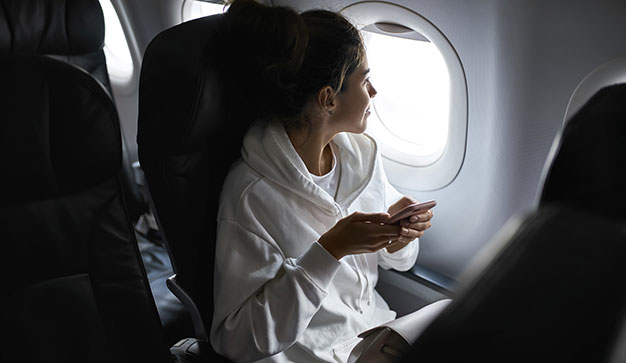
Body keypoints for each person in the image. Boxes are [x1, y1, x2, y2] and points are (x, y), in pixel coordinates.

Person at [210, 1, 434, 362]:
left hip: (374, 334)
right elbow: (236, 339)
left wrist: (400, 236)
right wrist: (330, 250)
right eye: (364, 80)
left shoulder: (360, 158)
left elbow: (401, 263)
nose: (373, 92)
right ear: (329, 98)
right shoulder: (251, 196)